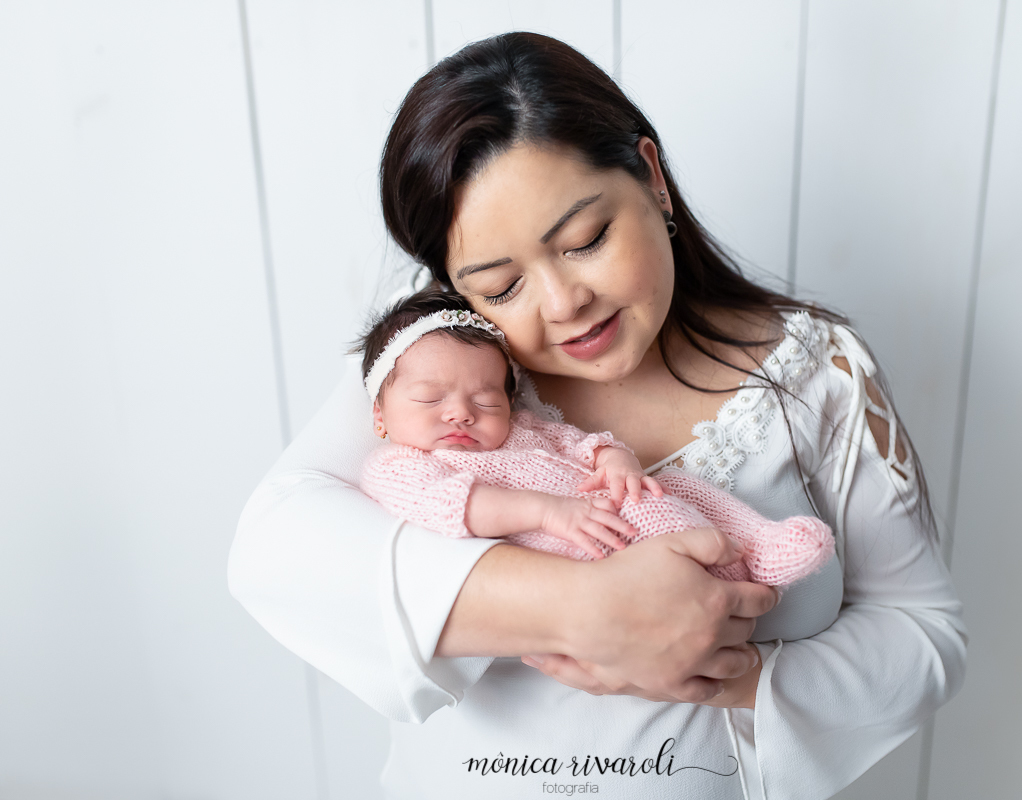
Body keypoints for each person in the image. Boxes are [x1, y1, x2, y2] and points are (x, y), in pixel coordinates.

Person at [229, 32, 967, 800]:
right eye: (500, 287)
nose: (562, 303)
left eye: (586, 241)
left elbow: (923, 633)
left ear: (650, 177)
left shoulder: (818, 371)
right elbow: (275, 548)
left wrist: (733, 674)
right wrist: (588, 611)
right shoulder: (437, 373)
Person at [356, 288, 834, 588]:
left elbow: (577, 442)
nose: (461, 413)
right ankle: (718, 579)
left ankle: (759, 545)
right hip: (589, 551)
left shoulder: (521, 430)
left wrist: (615, 460)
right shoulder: (400, 466)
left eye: (485, 400)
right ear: (380, 415)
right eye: (430, 399)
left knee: (678, 486)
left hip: (619, 503)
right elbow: (457, 507)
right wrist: (547, 512)